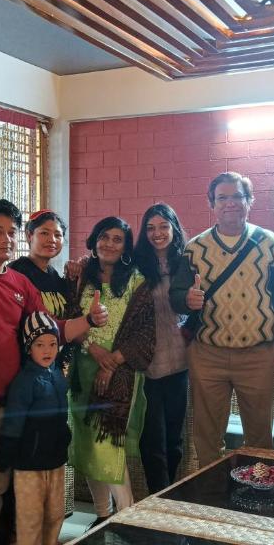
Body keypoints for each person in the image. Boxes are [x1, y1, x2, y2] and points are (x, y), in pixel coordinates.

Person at [0, 199, 104, 545]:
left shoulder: (20, 283)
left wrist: (89, 321)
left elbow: (50, 329)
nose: (5, 239)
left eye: (10, 232)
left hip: (11, 407)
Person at [170, 172, 274, 467]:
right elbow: (176, 294)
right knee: (207, 436)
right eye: (222, 197)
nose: (230, 203)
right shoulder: (195, 248)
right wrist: (187, 299)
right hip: (208, 355)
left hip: (258, 355)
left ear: (249, 202)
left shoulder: (270, 243)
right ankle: (214, 495)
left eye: (237, 196)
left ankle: (257, 493)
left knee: (260, 437)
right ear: (212, 203)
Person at [67, 216, 155, 527]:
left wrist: (112, 362)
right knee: (88, 446)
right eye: (105, 236)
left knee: (109, 447)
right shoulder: (79, 278)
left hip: (121, 373)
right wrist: (94, 350)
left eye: (118, 239)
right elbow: (67, 320)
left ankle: (126, 517)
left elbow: (144, 332)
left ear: (126, 246)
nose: (110, 244)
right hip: (82, 371)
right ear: (94, 239)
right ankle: (102, 515)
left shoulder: (136, 281)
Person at [0, 311, 71, 545]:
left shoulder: (57, 375)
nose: (47, 350)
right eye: (40, 344)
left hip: (56, 460)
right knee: (30, 518)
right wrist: (0, 458)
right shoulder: (24, 382)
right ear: (28, 348)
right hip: (29, 465)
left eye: (53, 344)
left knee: (55, 514)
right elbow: (13, 425)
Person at [134, 203, 189, 493]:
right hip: (147, 366)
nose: (157, 233)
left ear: (174, 228)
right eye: (151, 227)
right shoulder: (135, 264)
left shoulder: (186, 262)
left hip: (181, 363)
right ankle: (157, 498)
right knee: (152, 440)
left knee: (175, 439)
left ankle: (170, 497)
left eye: (163, 227)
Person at [9, 210, 73, 319]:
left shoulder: (54, 275)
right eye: (44, 233)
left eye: (58, 235)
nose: (52, 240)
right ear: (29, 236)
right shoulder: (16, 271)